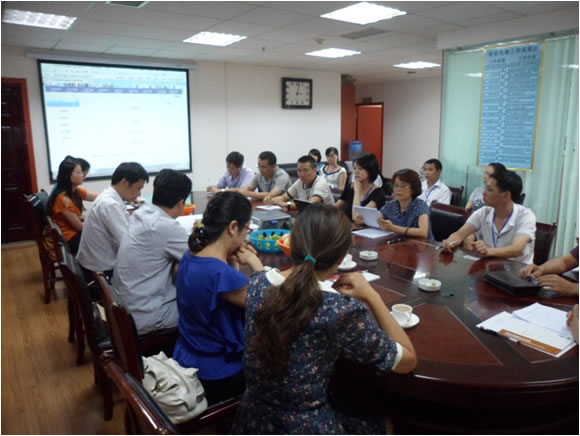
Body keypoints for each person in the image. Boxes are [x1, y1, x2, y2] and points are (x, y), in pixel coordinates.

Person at [231, 204, 417, 434]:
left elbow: (272, 281)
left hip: (252, 418)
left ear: (291, 245)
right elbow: (407, 361)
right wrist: (372, 296)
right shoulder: (339, 310)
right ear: (341, 259)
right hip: (304, 426)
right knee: (386, 421)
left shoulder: (257, 284)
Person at [173, 192, 264, 405]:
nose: (246, 236)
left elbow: (225, 288)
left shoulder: (191, 254)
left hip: (187, 353)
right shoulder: (220, 274)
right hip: (218, 370)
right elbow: (266, 303)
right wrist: (255, 263)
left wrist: (231, 259)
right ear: (233, 227)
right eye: (246, 230)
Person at [111, 170, 192, 334]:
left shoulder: (141, 213)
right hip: (146, 317)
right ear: (181, 203)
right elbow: (202, 257)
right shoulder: (166, 226)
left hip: (125, 308)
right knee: (207, 303)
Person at [442, 170, 536, 264]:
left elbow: (517, 249)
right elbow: (459, 235)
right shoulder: (483, 212)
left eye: (489, 190)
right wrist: (449, 242)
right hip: (489, 267)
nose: (484, 193)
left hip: (517, 269)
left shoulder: (525, 215)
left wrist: (488, 251)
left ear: (505, 195)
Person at [77, 162, 149, 284]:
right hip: (100, 275)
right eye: (138, 188)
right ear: (125, 182)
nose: (139, 194)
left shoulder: (110, 197)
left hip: (95, 267)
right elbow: (127, 244)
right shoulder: (110, 204)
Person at [47, 158, 97, 255]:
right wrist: (97, 224)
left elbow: (96, 196)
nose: (83, 175)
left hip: (73, 234)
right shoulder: (63, 199)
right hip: (69, 239)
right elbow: (79, 227)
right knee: (103, 238)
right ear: (67, 175)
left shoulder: (75, 190)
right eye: (79, 173)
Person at [378, 169, 433, 240]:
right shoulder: (391, 204)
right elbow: (377, 217)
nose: (398, 189)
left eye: (403, 186)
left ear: (413, 189)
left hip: (420, 244)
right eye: (396, 185)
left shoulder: (420, 206)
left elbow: (423, 232)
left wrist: (393, 228)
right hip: (399, 242)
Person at [265, 155, 335, 209]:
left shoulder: (321, 183)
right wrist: (272, 200)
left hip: (326, 220)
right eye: (299, 170)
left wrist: (286, 205)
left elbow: (311, 205)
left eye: (305, 170)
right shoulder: (300, 182)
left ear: (315, 170)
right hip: (309, 218)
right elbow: (284, 197)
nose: (302, 174)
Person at [336, 152, 387, 222]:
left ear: (370, 169)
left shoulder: (378, 193)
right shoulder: (350, 187)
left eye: (360, 168)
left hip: (363, 228)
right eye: (354, 168)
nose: (356, 172)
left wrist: (357, 191)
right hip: (347, 225)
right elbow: (337, 205)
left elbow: (356, 217)